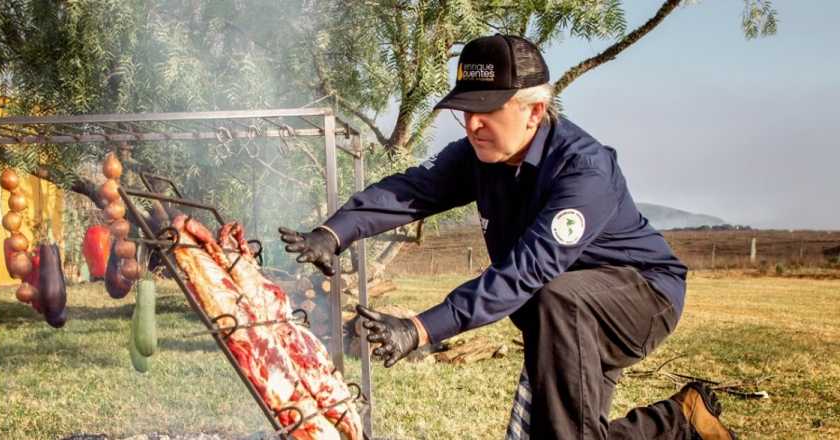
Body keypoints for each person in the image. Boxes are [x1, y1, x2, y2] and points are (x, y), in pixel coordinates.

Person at [279, 34, 735, 439]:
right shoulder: (479, 155)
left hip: (640, 298)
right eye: (465, 111)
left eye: (486, 111)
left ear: (534, 110)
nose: (472, 125)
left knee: (555, 299)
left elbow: (524, 274)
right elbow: (411, 190)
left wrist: (418, 329)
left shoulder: (583, 170)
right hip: (563, 312)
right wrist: (333, 232)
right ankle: (680, 421)